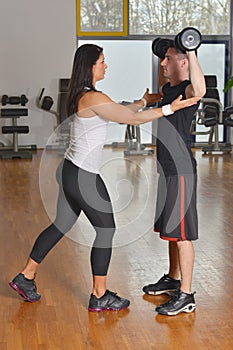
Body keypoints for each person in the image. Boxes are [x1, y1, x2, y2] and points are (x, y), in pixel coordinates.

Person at [9, 44, 200, 312]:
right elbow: (129, 120)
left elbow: (120, 113)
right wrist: (169, 108)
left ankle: (26, 276)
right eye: (102, 61)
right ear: (90, 66)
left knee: (61, 223)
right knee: (106, 230)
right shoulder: (93, 98)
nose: (106, 65)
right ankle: (99, 295)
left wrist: (144, 101)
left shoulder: (85, 95)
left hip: (70, 171)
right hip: (84, 176)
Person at [142, 42, 206, 316]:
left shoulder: (188, 91)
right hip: (166, 168)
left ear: (184, 63)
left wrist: (191, 51)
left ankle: (186, 294)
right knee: (171, 230)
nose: (162, 63)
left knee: (182, 236)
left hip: (180, 171)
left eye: (168, 59)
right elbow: (162, 82)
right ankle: (173, 278)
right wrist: (163, 52)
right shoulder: (169, 90)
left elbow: (200, 91)